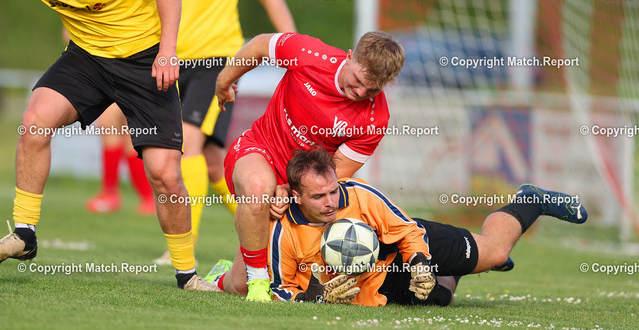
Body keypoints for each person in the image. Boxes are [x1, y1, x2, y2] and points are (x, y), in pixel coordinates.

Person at [0, 0, 215, 291]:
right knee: (34, 121)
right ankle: (25, 234)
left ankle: (186, 274)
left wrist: (168, 52)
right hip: (86, 60)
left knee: (165, 174)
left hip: (144, 61)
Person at [206, 147, 588, 306]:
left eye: (333, 191)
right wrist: (317, 298)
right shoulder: (282, 231)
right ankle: (455, 270)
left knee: (496, 252)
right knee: (442, 297)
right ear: (295, 195)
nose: (331, 201)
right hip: (379, 283)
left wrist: (420, 261)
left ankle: (530, 200)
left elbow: (406, 231)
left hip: (404, 245)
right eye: (318, 196)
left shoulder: (358, 194)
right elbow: (281, 289)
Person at [141, 0, 296, 264]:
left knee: (186, 145)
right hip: (168, 62)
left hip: (216, 64)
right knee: (212, 164)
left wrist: (293, 50)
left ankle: (183, 247)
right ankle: (275, 227)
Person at [214, 31, 406, 301]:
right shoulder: (309, 55)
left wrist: (288, 191)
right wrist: (224, 81)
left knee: (238, 284)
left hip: (302, 184)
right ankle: (258, 283)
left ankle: (223, 276)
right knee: (258, 189)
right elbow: (258, 46)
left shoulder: (376, 118)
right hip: (259, 150)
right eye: (358, 81)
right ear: (349, 57)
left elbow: (333, 174)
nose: (361, 93)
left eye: (373, 89)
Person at [75, 0, 155, 216]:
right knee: (113, 128)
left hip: (134, 63)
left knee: (128, 132)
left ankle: (132, 194)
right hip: (97, 63)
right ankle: (129, 195)